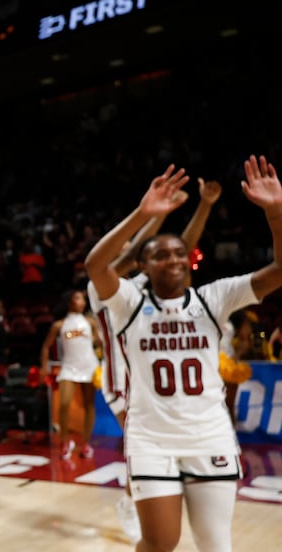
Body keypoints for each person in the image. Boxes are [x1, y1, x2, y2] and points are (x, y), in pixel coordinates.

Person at [84, 156, 282, 552]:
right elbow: (98, 263)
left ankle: (133, 498)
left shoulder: (213, 297)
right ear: (143, 263)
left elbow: (276, 269)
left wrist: (275, 213)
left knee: (215, 544)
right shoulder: (125, 298)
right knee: (161, 542)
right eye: (160, 255)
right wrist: (144, 214)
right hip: (144, 422)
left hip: (208, 436)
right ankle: (132, 501)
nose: (174, 258)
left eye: (180, 255)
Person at [87, 177, 220, 545]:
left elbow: (184, 248)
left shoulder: (150, 284)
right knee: (145, 450)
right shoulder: (102, 285)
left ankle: (141, 502)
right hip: (123, 385)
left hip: (154, 383)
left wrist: (204, 205)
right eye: (131, 252)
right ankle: (134, 505)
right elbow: (131, 256)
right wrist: (156, 215)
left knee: (159, 454)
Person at [39, 288, 102, 460]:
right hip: (69, 366)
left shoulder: (90, 322)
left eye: (83, 299)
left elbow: (97, 342)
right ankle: (65, 441)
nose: (82, 301)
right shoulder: (59, 325)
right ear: (70, 302)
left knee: (89, 405)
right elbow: (45, 346)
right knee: (64, 403)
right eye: (78, 298)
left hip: (89, 365)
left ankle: (86, 443)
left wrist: (101, 342)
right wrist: (44, 366)